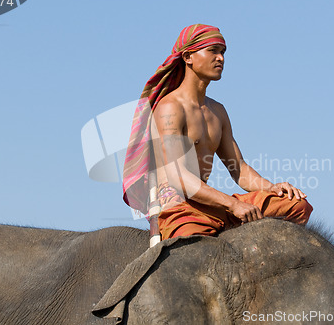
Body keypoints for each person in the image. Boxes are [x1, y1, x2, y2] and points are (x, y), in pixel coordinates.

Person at [123, 24, 312, 241]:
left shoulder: (218, 111)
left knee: (297, 206)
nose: (220, 58)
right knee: (195, 251)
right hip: (179, 208)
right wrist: (233, 204)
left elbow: (238, 169)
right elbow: (178, 177)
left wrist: (273, 188)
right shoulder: (170, 107)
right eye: (212, 50)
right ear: (188, 57)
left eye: (223, 52)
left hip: (213, 206)